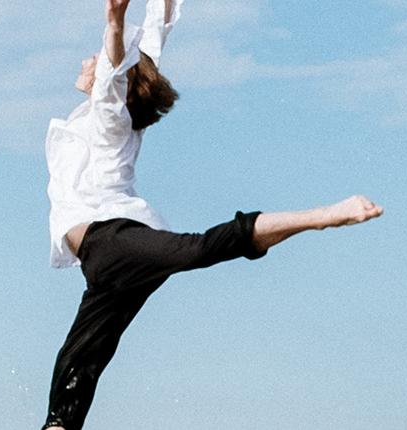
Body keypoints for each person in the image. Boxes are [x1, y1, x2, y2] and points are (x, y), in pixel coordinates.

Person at [41, 0, 384, 428]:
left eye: (95, 59)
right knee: (78, 360)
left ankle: (325, 215)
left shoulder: (110, 117)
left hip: (113, 240)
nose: (86, 61)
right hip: (107, 264)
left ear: (117, 83)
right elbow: (149, 48)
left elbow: (116, 72)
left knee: (203, 247)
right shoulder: (111, 113)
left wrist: (114, 19)